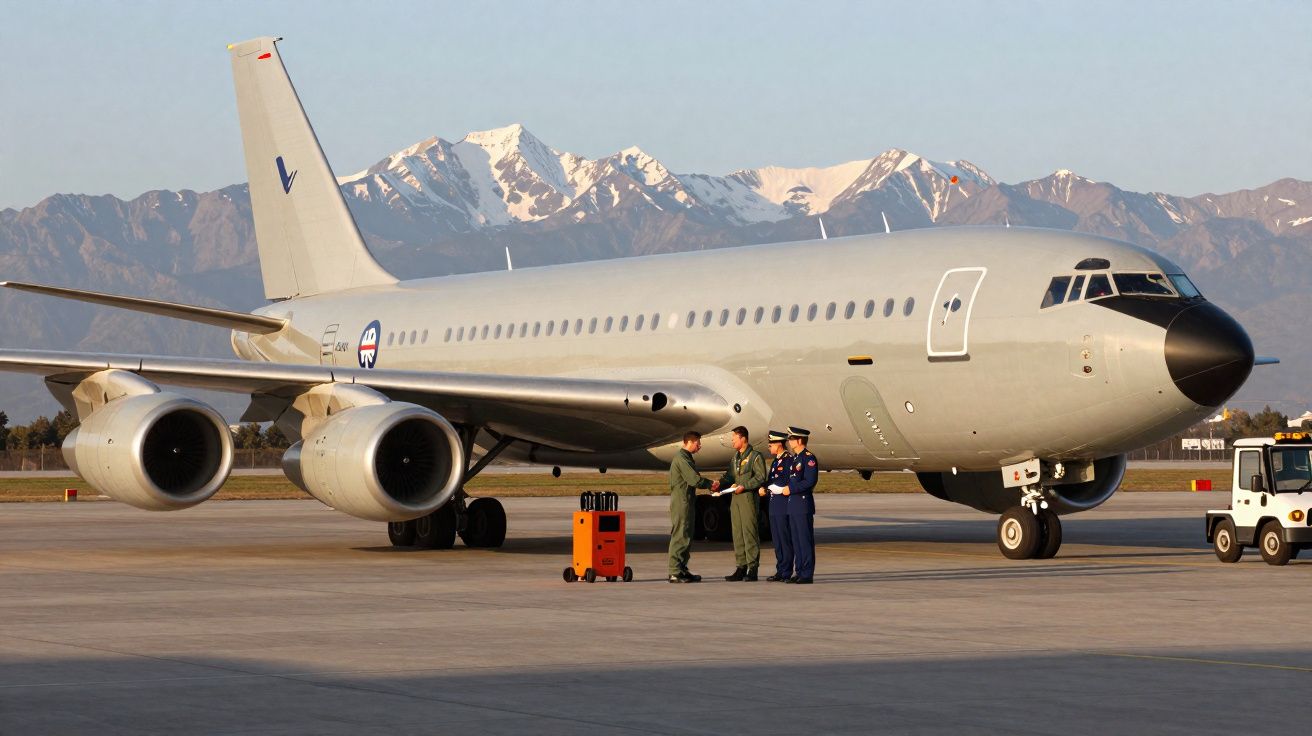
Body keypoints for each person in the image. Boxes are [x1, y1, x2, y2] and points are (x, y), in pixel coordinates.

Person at [718, 425, 767, 581]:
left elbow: (760, 477)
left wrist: (744, 486)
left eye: (734, 438)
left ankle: (752, 568)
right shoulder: (735, 457)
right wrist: (717, 484)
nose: (732, 441)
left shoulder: (755, 456)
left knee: (749, 533)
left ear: (743, 438)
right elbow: (730, 476)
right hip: (736, 499)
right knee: (737, 533)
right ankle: (741, 566)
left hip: (748, 498)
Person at [668, 431, 714, 583]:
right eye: (698, 443)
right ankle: (674, 571)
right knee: (680, 535)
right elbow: (693, 479)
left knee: (687, 535)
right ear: (690, 442)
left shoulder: (687, 458)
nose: (699, 446)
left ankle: (682, 568)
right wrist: (710, 484)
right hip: (682, 503)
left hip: (687, 501)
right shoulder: (682, 459)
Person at [784, 426, 819, 584]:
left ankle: (807, 573)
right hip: (793, 504)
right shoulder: (795, 459)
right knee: (796, 540)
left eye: (792, 439)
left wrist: (791, 488)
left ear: (799, 440)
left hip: (803, 503)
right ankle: (799, 571)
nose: (789, 441)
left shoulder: (808, 458)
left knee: (804, 540)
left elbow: (810, 481)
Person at [761, 429, 794, 582]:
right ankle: (780, 569)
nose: (769, 447)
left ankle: (786, 570)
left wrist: (771, 487)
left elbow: (786, 481)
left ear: (779, 444)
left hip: (783, 504)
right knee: (777, 540)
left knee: (784, 538)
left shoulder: (788, 460)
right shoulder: (776, 461)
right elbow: (771, 480)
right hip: (773, 504)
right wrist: (764, 487)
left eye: (771, 444)